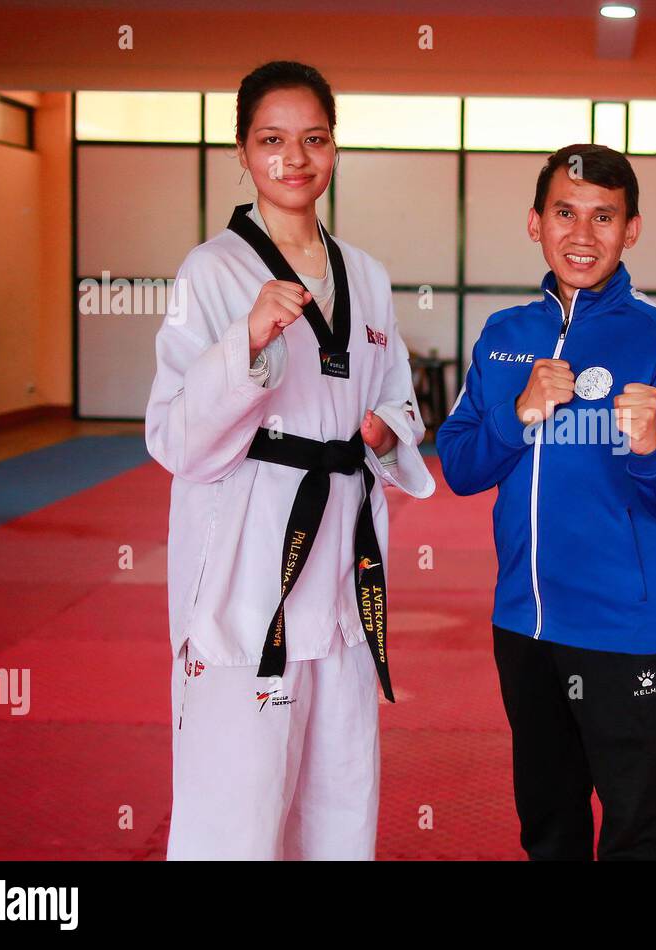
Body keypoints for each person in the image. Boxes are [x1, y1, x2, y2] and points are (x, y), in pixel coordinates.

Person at [144, 61, 434, 860]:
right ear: (242, 150)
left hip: (339, 579)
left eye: (312, 138)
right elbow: (173, 436)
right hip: (246, 579)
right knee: (234, 812)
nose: (294, 157)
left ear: (334, 147)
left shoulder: (367, 277)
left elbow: (402, 401)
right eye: (272, 139)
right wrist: (247, 340)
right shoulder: (210, 273)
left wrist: (385, 429)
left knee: (341, 805)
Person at [437, 144, 656, 860]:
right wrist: (518, 412)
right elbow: (461, 466)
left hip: (626, 629)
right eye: (565, 213)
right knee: (550, 828)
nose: (582, 236)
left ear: (632, 230)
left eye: (603, 217)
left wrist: (651, 450)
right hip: (525, 625)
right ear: (536, 222)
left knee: (639, 833)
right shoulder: (505, 338)